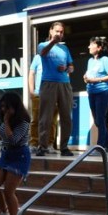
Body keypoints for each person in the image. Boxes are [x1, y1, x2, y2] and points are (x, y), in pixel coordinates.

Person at [0, 92, 31, 215]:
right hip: (5, 155)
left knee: (8, 191)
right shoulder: (7, 120)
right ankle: (4, 212)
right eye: (2, 107)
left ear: (15, 107)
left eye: (6, 107)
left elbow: (14, 140)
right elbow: (4, 136)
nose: (3, 110)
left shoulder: (24, 123)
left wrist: (6, 123)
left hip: (19, 156)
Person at [36, 21, 74, 157]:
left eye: (61, 32)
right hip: (48, 83)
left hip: (64, 83)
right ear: (51, 31)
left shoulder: (65, 49)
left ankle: (64, 147)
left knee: (66, 117)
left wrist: (67, 68)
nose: (59, 34)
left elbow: (71, 67)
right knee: (45, 117)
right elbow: (43, 53)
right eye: (57, 31)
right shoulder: (43, 45)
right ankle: (42, 146)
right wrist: (53, 42)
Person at [84, 36, 108, 149]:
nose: (89, 47)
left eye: (92, 45)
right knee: (97, 121)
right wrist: (86, 77)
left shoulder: (105, 60)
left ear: (99, 48)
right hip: (91, 92)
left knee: (100, 119)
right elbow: (90, 73)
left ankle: (100, 146)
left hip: (102, 92)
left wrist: (96, 80)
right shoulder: (90, 61)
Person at [28, 53, 58, 152]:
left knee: (52, 121)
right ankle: (34, 143)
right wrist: (31, 91)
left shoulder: (58, 57)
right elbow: (31, 73)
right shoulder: (38, 57)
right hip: (38, 93)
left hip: (53, 93)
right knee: (36, 119)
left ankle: (49, 144)